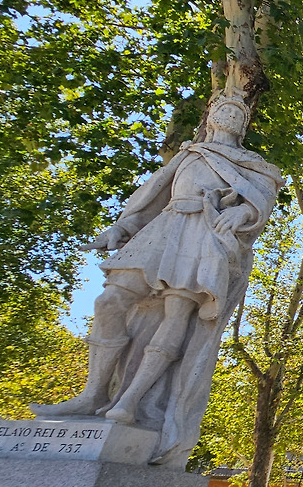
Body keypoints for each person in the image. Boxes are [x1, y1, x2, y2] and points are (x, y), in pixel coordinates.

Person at [29, 87, 283, 467]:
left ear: (244, 125)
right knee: (109, 300)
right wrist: (122, 227)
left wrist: (243, 213)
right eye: (224, 110)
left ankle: (130, 402)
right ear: (211, 117)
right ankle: (93, 392)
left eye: (238, 113)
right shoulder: (189, 154)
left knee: (177, 314)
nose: (230, 115)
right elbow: (152, 198)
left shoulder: (252, 163)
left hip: (203, 234)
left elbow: (261, 198)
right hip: (163, 230)